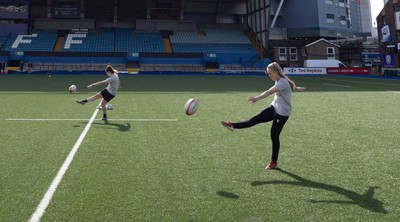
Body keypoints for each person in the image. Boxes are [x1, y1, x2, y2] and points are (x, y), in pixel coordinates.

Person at [221, 62, 305, 170]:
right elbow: (291, 86)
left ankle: (274, 162)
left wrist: (256, 98)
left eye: (270, 73)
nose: (269, 75)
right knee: (255, 119)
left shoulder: (282, 82)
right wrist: (297, 88)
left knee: (274, 136)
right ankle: (232, 125)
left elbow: (269, 92)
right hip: (274, 107)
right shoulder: (279, 80)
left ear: (275, 72)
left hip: (282, 113)